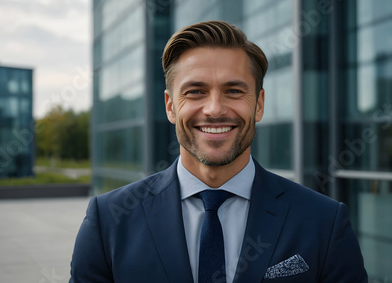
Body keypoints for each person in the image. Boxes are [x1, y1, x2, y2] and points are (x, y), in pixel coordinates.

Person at [69, 20, 367, 283]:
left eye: (234, 91)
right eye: (195, 91)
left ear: (259, 104)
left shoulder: (324, 221)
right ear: (170, 106)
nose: (214, 110)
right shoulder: (108, 221)